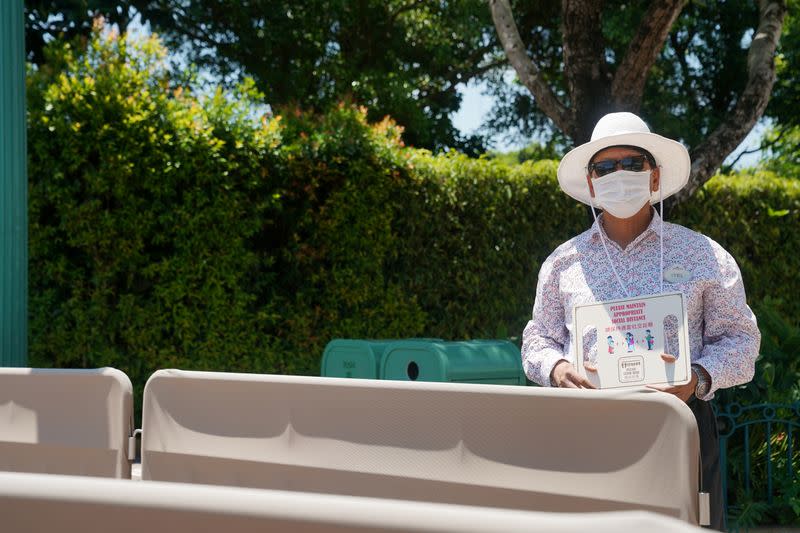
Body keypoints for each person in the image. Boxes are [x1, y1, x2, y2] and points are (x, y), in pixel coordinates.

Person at [521, 112, 761, 530]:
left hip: (679, 424)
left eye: (633, 164)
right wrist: (558, 370)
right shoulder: (563, 263)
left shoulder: (702, 254)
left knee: (685, 526)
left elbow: (742, 341)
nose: (620, 175)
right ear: (592, 183)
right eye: (606, 167)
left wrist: (697, 377)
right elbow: (537, 339)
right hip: (587, 429)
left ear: (654, 177)